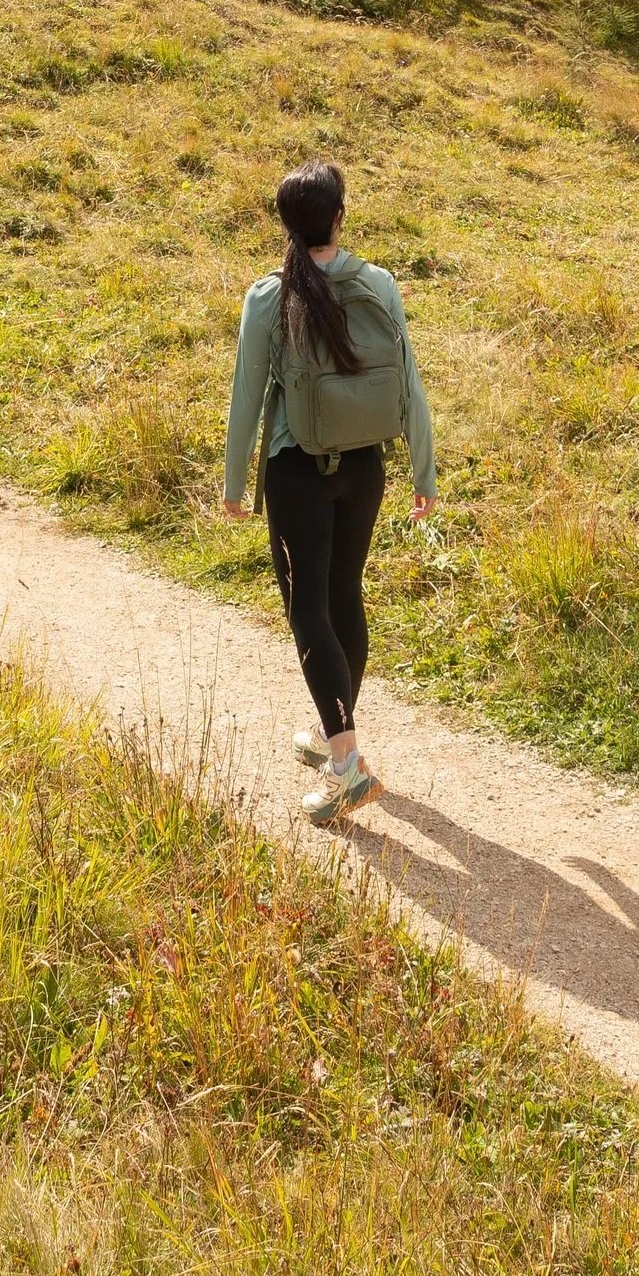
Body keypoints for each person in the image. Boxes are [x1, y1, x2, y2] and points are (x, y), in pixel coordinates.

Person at [223, 161, 436, 826]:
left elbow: (247, 397)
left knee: (307, 608)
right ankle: (331, 731)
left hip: (298, 471)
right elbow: (410, 384)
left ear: (285, 224)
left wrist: (234, 481)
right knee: (344, 596)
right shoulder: (379, 284)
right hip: (365, 466)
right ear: (340, 217)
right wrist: (423, 472)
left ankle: (346, 764)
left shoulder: (270, 296)